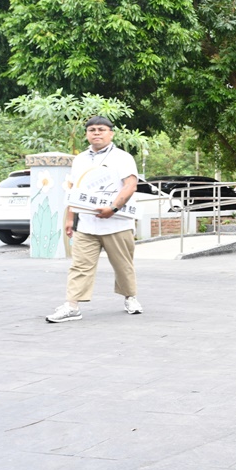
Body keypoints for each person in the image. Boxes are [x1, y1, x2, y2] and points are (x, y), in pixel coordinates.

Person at [46, 116, 143, 323]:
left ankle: (130, 298)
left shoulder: (123, 157)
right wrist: (70, 218)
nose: (96, 133)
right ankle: (72, 305)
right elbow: (74, 189)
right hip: (87, 225)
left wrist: (113, 208)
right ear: (87, 134)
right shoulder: (80, 159)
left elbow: (130, 185)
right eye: (91, 130)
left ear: (111, 133)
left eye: (101, 129)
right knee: (79, 265)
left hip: (117, 223)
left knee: (123, 265)